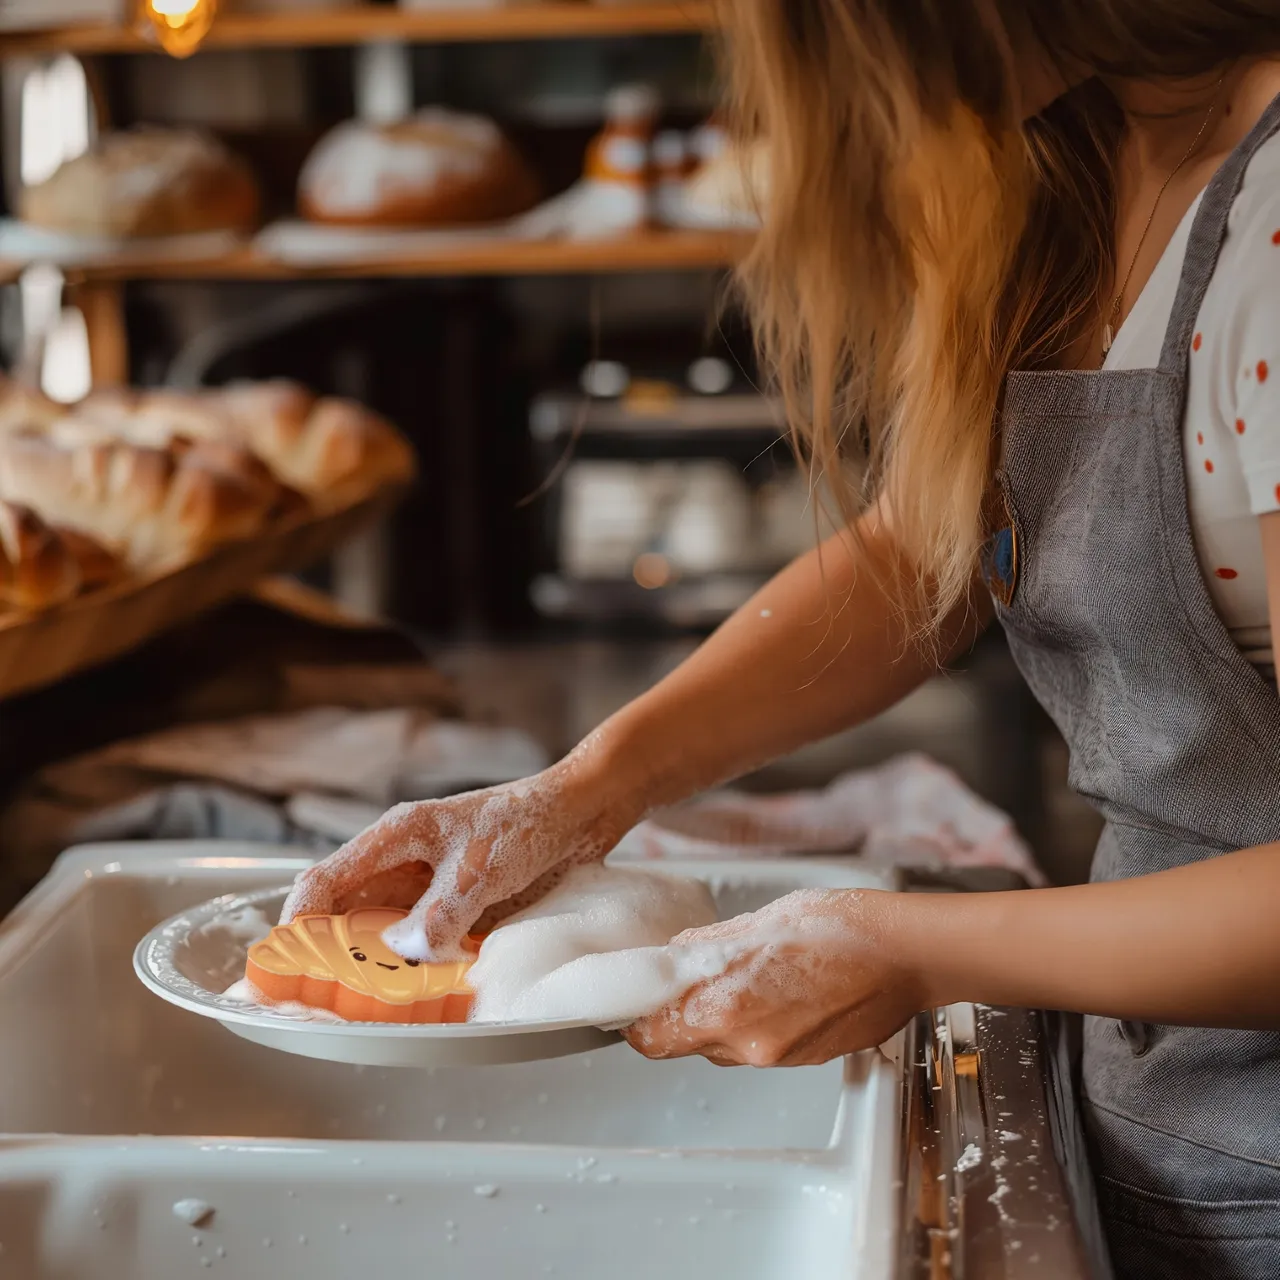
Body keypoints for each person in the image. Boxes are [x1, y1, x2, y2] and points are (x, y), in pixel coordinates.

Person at [284, 4, 1280, 1275]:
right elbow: (930, 551)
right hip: (1154, 1096)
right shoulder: (1075, 160)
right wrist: (589, 786)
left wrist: (910, 944)